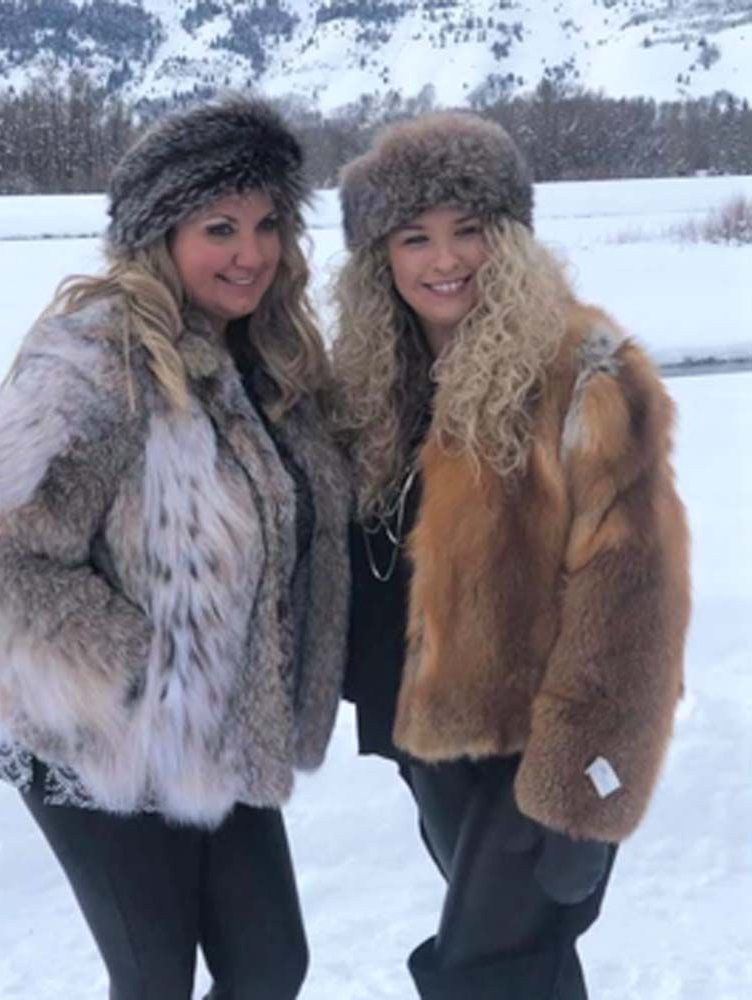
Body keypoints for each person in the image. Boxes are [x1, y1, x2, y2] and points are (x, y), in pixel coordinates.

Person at [0, 96, 350, 1000]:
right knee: (153, 977)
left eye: (269, 223)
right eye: (218, 227)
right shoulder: (97, 359)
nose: (251, 253)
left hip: (216, 736)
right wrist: (138, 665)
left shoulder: (264, 360)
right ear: (158, 235)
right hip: (95, 741)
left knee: (271, 967)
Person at [331, 110, 691, 998]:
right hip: (432, 743)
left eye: (469, 231)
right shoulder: (379, 382)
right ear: (380, 255)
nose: (443, 259)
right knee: (520, 970)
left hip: (541, 749)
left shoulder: (583, 372)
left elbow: (633, 594)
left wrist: (584, 794)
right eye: (414, 237)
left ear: (513, 238)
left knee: (480, 974)